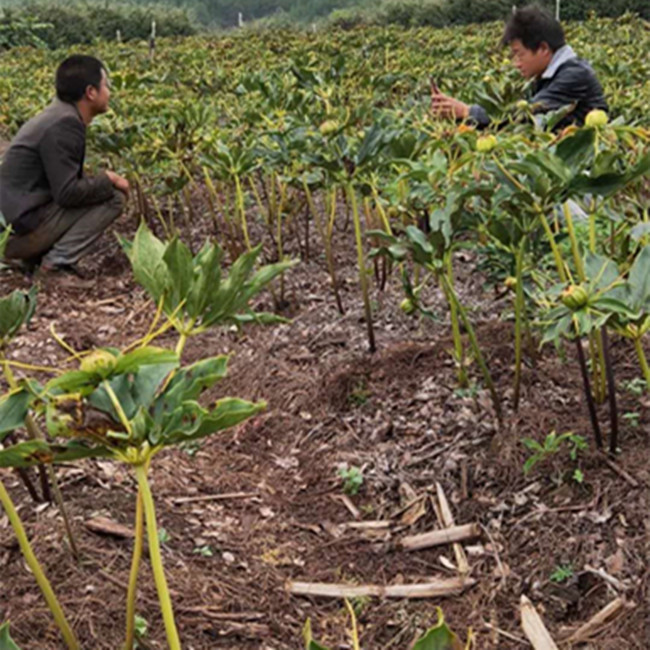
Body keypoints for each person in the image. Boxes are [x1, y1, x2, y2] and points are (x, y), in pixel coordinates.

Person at [0, 55, 129, 276]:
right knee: (114, 197)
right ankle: (55, 264)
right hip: (12, 237)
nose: (109, 92)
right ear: (91, 92)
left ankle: (36, 259)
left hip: (14, 224)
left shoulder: (56, 114)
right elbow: (67, 193)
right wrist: (109, 179)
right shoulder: (65, 124)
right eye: (106, 85)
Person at [430, 4, 608, 129]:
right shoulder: (545, 75)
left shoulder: (574, 76)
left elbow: (523, 118)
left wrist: (466, 111)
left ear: (543, 48)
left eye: (519, 54)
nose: (516, 63)